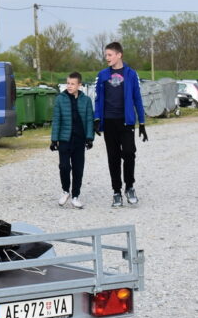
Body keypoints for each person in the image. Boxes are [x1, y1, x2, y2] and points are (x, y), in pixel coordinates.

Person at [94, 42, 147, 208]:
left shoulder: (131, 74)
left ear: (119, 55)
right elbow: (98, 99)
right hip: (109, 122)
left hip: (126, 121)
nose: (107, 58)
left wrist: (142, 122)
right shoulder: (102, 75)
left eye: (109, 55)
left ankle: (129, 187)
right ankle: (116, 191)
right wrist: (97, 119)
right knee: (113, 157)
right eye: (106, 55)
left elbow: (137, 98)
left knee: (129, 153)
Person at [50, 72, 95, 209]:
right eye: (68, 83)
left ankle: (75, 196)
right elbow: (56, 120)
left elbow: (89, 120)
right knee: (64, 166)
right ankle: (65, 191)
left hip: (79, 139)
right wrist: (54, 140)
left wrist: (89, 137)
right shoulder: (60, 99)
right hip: (64, 139)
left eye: (72, 84)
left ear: (79, 85)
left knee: (78, 168)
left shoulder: (86, 100)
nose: (69, 86)